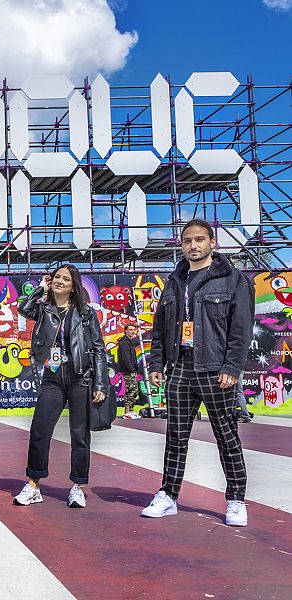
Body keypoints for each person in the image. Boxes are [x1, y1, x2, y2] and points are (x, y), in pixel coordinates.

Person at [141, 219, 254, 526]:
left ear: (212, 242)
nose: (193, 245)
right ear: (182, 244)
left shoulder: (233, 279)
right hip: (179, 368)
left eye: (199, 239)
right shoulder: (174, 281)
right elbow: (161, 329)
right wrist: (156, 364)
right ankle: (168, 495)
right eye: (188, 240)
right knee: (175, 437)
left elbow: (240, 329)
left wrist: (232, 367)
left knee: (227, 436)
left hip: (216, 370)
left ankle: (235, 500)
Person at [13, 264, 108, 509]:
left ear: (74, 285)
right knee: (39, 431)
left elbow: (98, 349)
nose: (60, 281)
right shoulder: (43, 309)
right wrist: (40, 289)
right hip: (52, 378)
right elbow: (23, 309)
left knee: (79, 436)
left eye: (66, 279)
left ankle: (77, 487)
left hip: (80, 379)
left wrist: (100, 382)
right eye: (57, 277)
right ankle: (33, 484)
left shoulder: (86, 313)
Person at [117, 323, 142, 419]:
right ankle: (127, 412)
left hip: (131, 370)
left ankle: (131, 410)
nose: (132, 331)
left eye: (133, 330)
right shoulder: (124, 343)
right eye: (130, 330)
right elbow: (125, 358)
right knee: (130, 391)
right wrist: (131, 370)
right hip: (128, 371)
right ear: (125, 331)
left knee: (134, 391)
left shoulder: (128, 342)